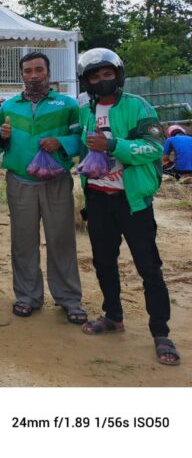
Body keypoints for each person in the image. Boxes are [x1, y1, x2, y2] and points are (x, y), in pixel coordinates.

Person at [76, 48, 179, 365]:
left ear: (118, 75)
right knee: (104, 261)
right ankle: (113, 315)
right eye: (96, 76)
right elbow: (82, 147)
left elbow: (153, 147)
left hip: (132, 201)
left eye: (108, 74)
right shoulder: (86, 111)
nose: (102, 80)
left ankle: (161, 332)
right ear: (87, 81)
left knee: (149, 267)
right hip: (98, 198)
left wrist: (113, 145)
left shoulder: (138, 106)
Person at [0, 52, 86, 323]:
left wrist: (61, 142)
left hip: (56, 181)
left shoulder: (67, 104)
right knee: (23, 242)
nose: (33, 75)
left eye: (38, 70)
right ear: (21, 74)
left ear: (48, 72)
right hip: (20, 181)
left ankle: (69, 299)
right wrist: (1, 136)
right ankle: (27, 296)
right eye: (27, 71)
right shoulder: (9, 106)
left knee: (61, 240)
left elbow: (79, 138)